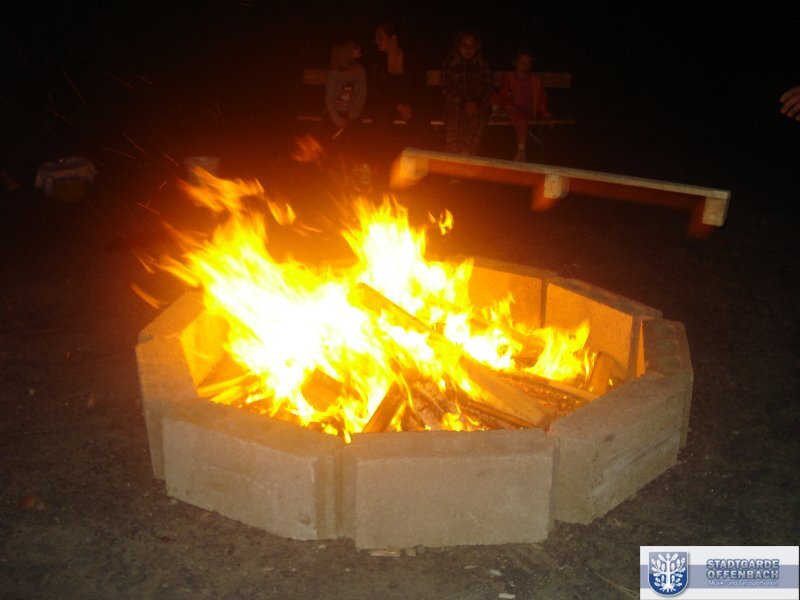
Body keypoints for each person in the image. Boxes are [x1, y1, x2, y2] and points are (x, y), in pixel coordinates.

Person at [366, 19, 429, 185]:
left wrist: (408, 106)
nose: (376, 41)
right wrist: (397, 105)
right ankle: (377, 171)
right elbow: (377, 90)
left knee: (421, 122)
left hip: (411, 103)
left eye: (380, 37)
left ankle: (411, 175)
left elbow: (420, 86)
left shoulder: (412, 57)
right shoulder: (377, 60)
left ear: (393, 39)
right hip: (389, 103)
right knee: (380, 121)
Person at [441, 29, 493, 156]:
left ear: (477, 47)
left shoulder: (482, 64)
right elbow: (446, 87)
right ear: (458, 45)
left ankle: (467, 155)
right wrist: (462, 102)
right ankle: (452, 156)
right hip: (456, 103)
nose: (468, 49)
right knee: (453, 123)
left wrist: (477, 102)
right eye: (465, 45)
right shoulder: (451, 63)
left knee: (477, 122)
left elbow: (488, 87)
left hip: (477, 104)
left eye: (472, 45)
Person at [495, 49, 551, 161]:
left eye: (528, 62)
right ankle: (498, 111)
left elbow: (540, 97)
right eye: (523, 62)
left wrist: (544, 112)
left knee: (520, 118)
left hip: (526, 109)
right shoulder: (510, 77)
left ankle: (521, 150)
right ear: (515, 63)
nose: (525, 65)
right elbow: (503, 94)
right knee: (497, 101)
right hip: (511, 108)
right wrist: (507, 105)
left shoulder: (534, 79)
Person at [325, 39, 367, 136]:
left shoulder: (359, 71)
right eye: (355, 48)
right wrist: (336, 118)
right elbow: (329, 97)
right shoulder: (334, 72)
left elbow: (362, 94)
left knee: (355, 134)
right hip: (335, 114)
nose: (360, 49)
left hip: (354, 115)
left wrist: (353, 114)